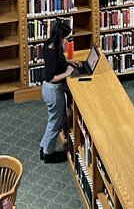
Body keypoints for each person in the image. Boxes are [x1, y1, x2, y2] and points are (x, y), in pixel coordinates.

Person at [39, 18, 78, 163]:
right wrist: (67, 73)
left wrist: (69, 63)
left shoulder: (54, 45)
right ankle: (48, 154)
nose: (68, 41)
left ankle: (44, 148)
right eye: (67, 39)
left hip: (53, 90)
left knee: (55, 120)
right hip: (53, 90)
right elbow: (50, 77)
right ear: (61, 38)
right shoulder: (51, 52)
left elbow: (58, 63)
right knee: (56, 123)